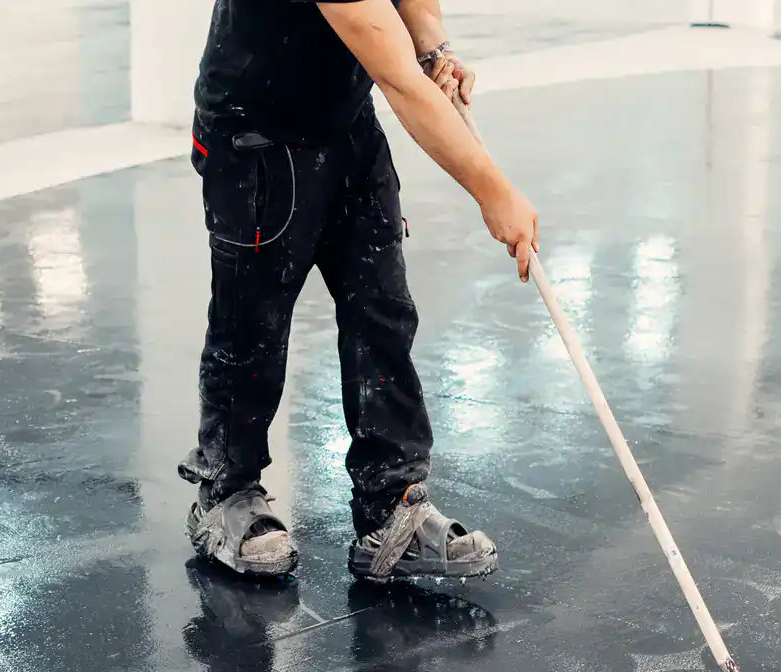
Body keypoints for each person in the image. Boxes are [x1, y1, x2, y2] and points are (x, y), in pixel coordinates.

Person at [180, 0, 539, 584]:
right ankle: (226, 493)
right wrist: (493, 192)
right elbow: (399, 81)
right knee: (252, 328)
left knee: (383, 314)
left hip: (345, 122)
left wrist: (434, 47)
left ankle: (391, 509)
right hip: (257, 135)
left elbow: (411, 23)